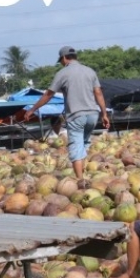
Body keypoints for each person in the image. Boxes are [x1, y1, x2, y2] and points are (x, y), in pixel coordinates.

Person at [24, 46, 110, 189]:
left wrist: (33, 109)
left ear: (64, 58)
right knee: (83, 144)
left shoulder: (63, 73)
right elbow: (99, 93)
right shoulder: (90, 71)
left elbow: (48, 95)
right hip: (93, 115)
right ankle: (83, 173)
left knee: (76, 146)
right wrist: (104, 114)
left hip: (77, 115)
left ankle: (80, 181)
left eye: (61, 61)